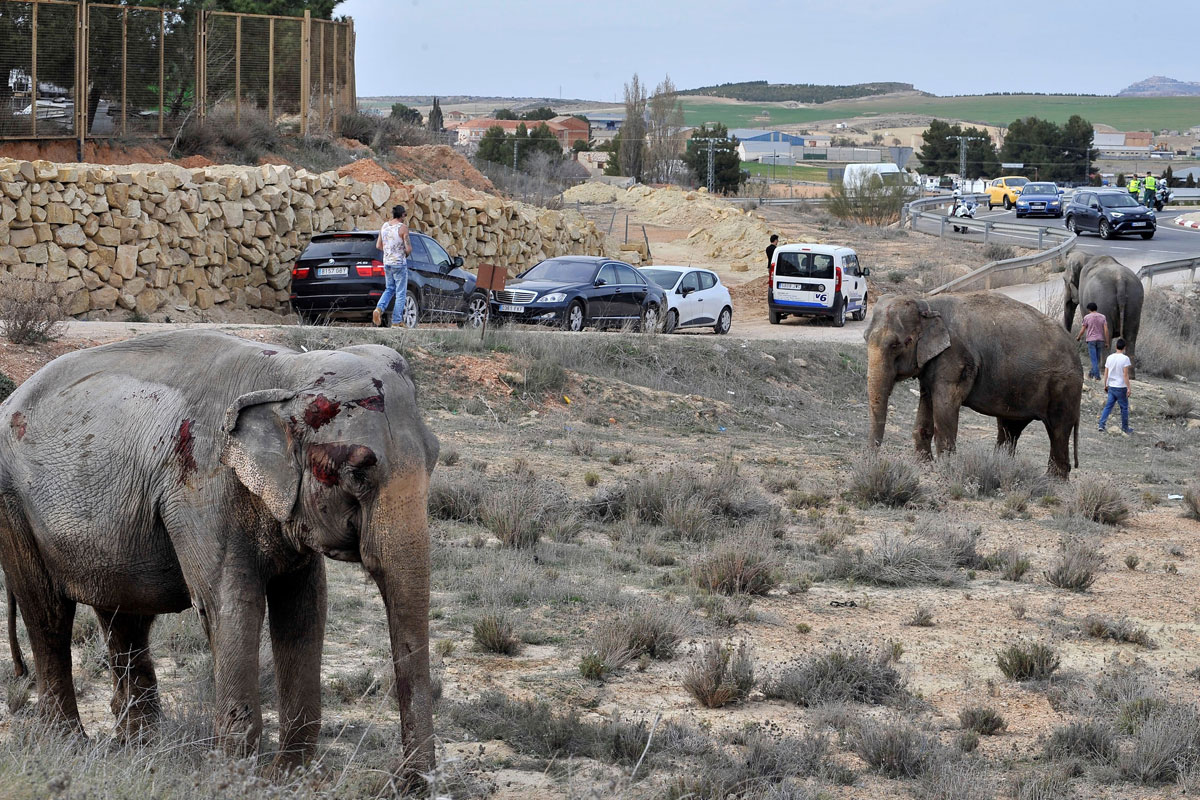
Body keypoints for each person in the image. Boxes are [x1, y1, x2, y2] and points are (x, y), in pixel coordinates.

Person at [373, 204, 412, 328]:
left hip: (387, 262)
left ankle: (379, 309)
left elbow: (378, 246)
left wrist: (389, 251)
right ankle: (396, 321)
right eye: (405, 214)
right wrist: (404, 253)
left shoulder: (384, 226)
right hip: (399, 263)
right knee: (401, 292)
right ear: (402, 215)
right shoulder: (403, 228)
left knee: (389, 288)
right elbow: (408, 248)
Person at [1098, 337, 1133, 434]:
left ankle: (1101, 424)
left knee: (1108, 407)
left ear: (1116, 346)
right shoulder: (1125, 359)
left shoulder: (1110, 357)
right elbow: (1125, 375)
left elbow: (1106, 373)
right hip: (1121, 387)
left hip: (1111, 386)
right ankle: (1125, 428)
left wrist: (1105, 384)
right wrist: (1129, 388)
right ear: (1124, 347)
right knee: (1124, 407)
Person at [1076, 302, 1109, 380]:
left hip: (1091, 340)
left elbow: (1083, 330)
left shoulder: (1087, 317)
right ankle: (1091, 374)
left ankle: (1097, 376)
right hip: (1100, 340)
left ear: (1089, 309)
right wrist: (1107, 341)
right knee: (1096, 359)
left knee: (1094, 359)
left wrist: (1078, 337)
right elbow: (1106, 330)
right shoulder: (1103, 317)